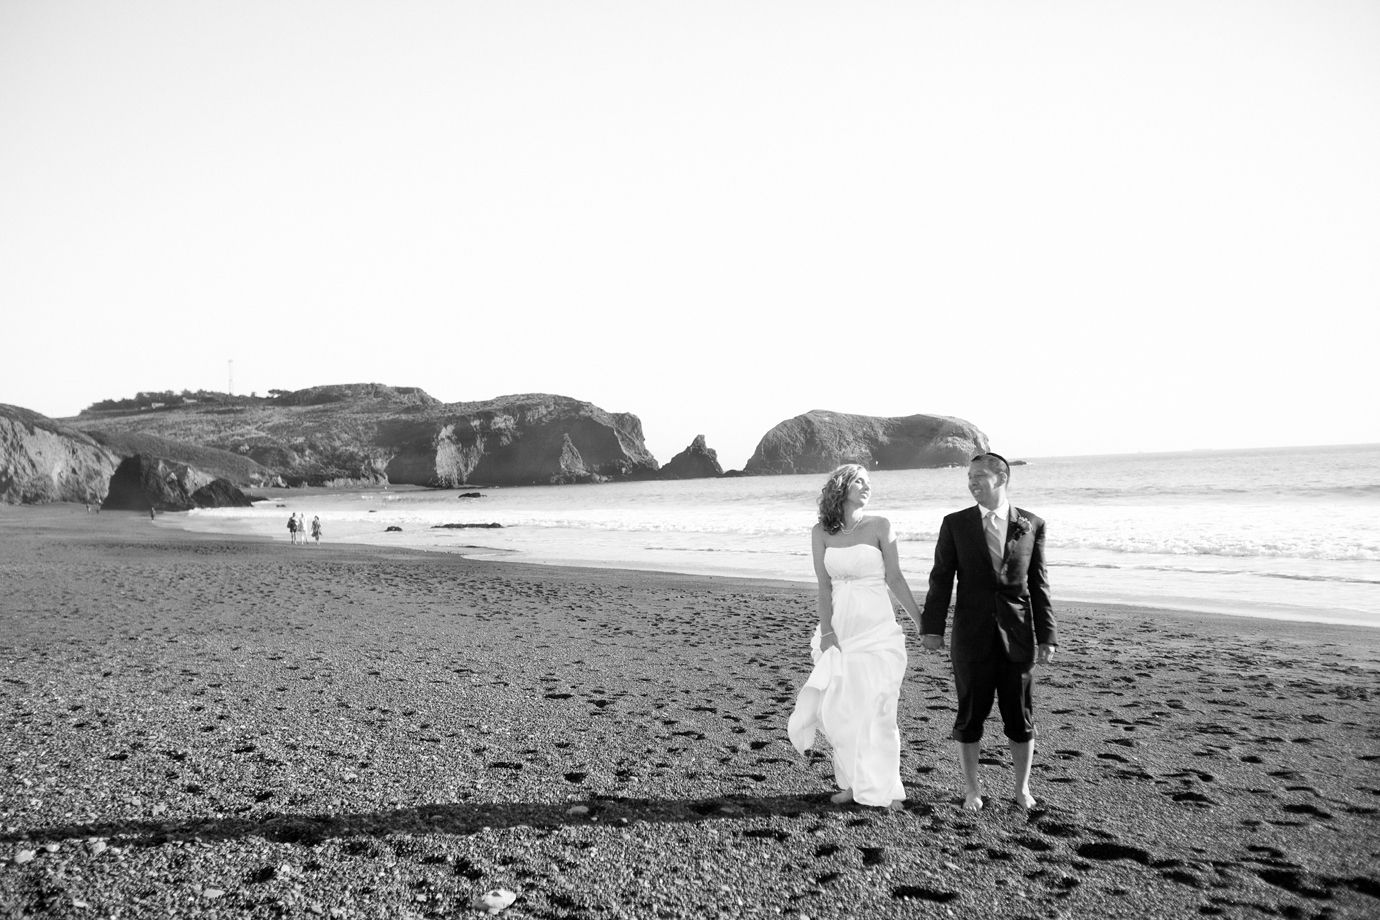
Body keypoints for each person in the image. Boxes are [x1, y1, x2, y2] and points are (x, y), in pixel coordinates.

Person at [920, 452, 1057, 811]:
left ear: (1002, 478)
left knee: (1020, 715)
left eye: (979, 475)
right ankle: (972, 790)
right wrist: (932, 628)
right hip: (971, 636)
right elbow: (941, 579)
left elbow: (1039, 584)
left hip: (1018, 636)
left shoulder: (1032, 523)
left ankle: (1022, 789)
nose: (972, 482)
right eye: (969, 476)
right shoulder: (955, 524)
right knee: (969, 715)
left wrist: (1047, 635)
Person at [788, 464, 924, 810]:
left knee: (879, 708)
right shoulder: (821, 532)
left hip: (877, 630)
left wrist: (920, 621)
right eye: (859, 481)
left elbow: (895, 578)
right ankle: (853, 783)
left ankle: (883, 789)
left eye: (869, 482)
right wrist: (827, 631)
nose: (867, 487)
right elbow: (824, 586)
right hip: (840, 630)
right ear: (841, 487)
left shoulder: (880, 526)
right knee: (842, 710)